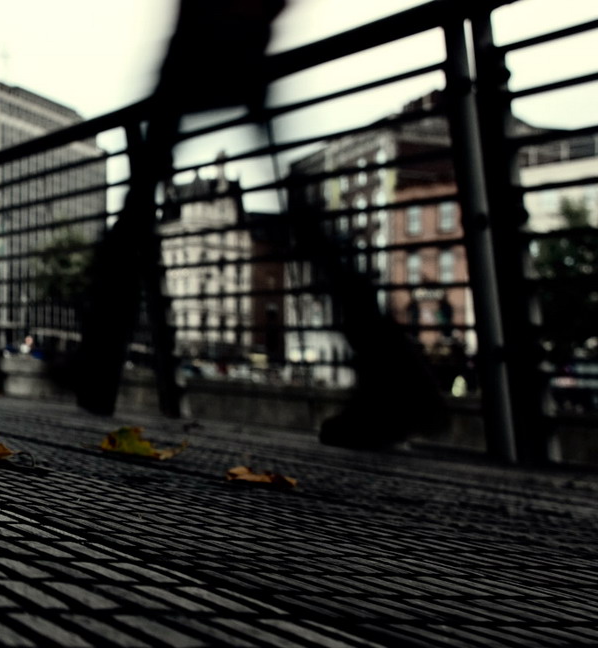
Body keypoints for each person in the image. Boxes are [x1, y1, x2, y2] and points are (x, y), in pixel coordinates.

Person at [75, 0, 446, 448]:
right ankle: (397, 372)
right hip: (230, 25)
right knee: (298, 213)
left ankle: (93, 366)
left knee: (141, 205)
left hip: (212, 27)